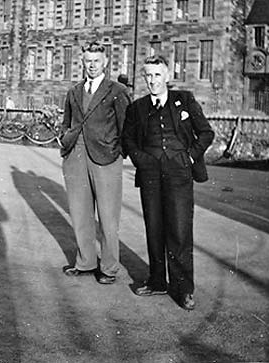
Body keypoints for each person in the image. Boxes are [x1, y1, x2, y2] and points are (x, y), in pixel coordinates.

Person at [123, 55, 214, 310]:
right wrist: (141, 159)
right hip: (150, 173)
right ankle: (157, 281)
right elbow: (127, 139)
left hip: (179, 172)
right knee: (154, 227)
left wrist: (189, 156)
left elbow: (206, 133)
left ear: (167, 76)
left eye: (157, 75)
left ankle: (184, 289)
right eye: (148, 76)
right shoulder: (137, 107)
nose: (152, 81)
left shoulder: (184, 100)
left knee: (180, 230)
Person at [59, 41, 130, 284]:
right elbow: (67, 121)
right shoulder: (74, 91)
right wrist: (65, 140)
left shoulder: (117, 91)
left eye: (96, 61)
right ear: (82, 62)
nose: (92, 65)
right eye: (88, 61)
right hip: (76, 155)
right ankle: (85, 262)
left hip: (106, 158)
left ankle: (109, 268)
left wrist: (116, 150)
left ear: (106, 62)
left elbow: (126, 127)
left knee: (108, 217)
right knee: (79, 212)